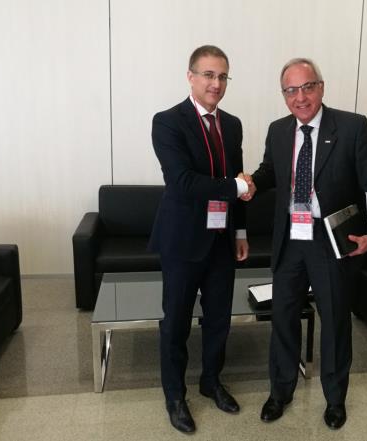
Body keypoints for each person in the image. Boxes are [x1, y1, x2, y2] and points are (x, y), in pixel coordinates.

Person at [241, 58, 367, 429]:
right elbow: (272, 171)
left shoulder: (352, 127)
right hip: (290, 237)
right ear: (284, 95)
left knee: (335, 320)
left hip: (330, 239)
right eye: (291, 90)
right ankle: (280, 392)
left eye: (308, 87)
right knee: (283, 317)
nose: (301, 97)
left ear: (321, 87)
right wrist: (254, 182)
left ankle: (335, 399)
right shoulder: (278, 130)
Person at [149, 45, 251, 434]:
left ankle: (211, 381)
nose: (216, 83)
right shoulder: (167, 122)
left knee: (219, 319)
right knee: (175, 322)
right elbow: (182, 182)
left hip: (222, 239)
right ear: (190, 77)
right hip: (182, 241)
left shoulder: (233, 124)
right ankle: (175, 395)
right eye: (208, 74)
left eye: (222, 76)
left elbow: (237, 181)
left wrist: (240, 231)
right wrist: (236, 186)